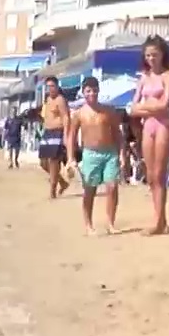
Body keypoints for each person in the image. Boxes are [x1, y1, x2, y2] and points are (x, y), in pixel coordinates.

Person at [125, 36, 169, 235]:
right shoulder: (144, 78)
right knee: (151, 175)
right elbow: (132, 109)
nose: (151, 59)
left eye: (155, 54)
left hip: (163, 125)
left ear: (162, 54)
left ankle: (159, 221)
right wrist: (151, 108)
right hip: (149, 126)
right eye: (148, 55)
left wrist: (144, 108)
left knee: (159, 174)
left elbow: (165, 104)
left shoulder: (167, 75)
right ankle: (160, 219)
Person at [68, 76, 125, 235]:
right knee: (90, 190)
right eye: (88, 91)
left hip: (109, 152)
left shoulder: (108, 111)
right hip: (90, 154)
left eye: (94, 90)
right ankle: (88, 225)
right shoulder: (79, 114)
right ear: (83, 93)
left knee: (112, 187)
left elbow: (118, 134)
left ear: (98, 91)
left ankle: (111, 223)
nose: (92, 94)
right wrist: (71, 158)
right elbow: (71, 137)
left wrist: (122, 154)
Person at [37, 77, 72, 199]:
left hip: (57, 132)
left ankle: (52, 190)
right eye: (48, 86)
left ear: (57, 87)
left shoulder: (60, 100)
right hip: (47, 132)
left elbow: (66, 117)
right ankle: (62, 182)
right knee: (43, 162)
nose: (50, 88)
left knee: (53, 161)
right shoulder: (47, 99)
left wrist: (66, 135)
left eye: (52, 86)